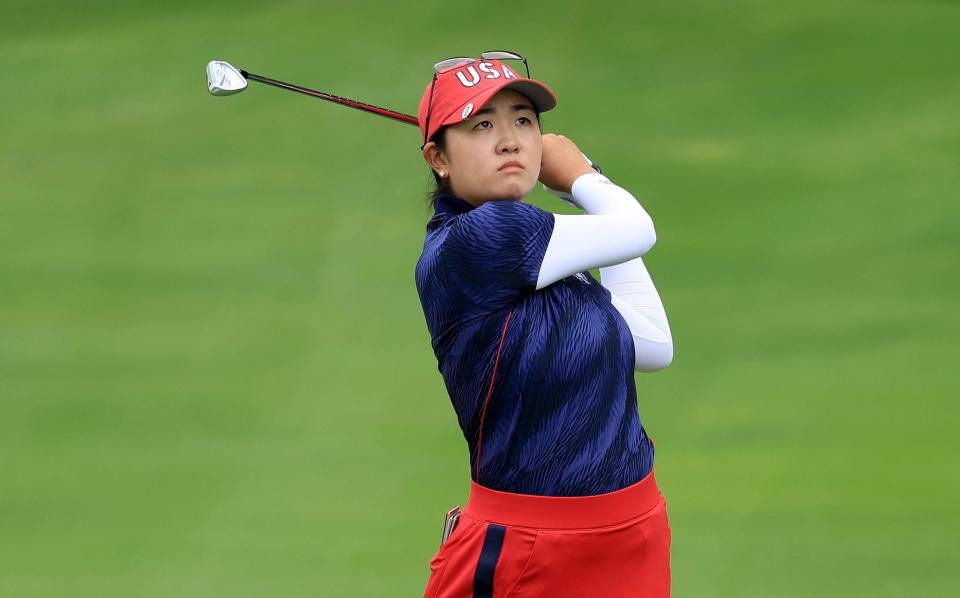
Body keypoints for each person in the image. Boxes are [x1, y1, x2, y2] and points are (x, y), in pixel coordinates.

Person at [414, 51, 674, 598]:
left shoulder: (547, 255)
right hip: (531, 548)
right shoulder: (482, 240)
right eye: (482, 124)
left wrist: (581, 190)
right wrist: (582, 177)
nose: (510, 140)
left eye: (523, 122)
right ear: (438, 158)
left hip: (632, 531)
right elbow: (638, 227)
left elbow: (651, 345)